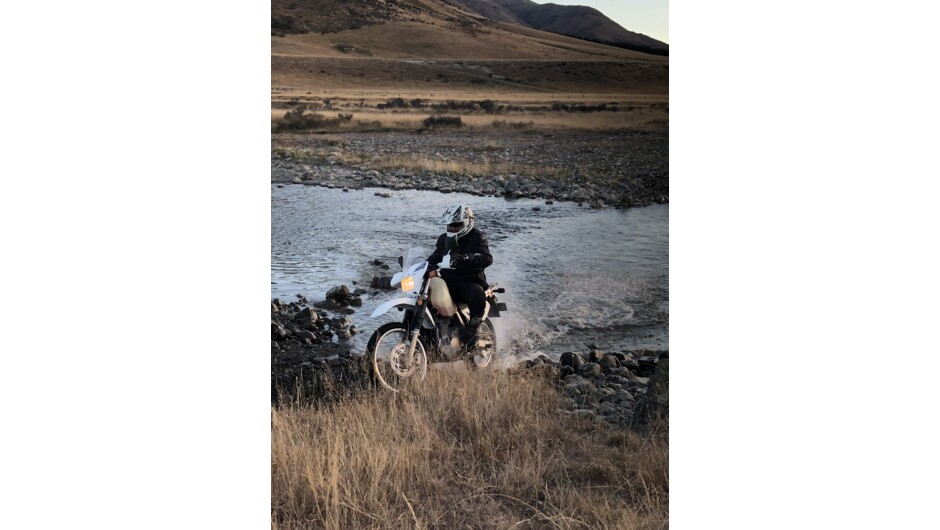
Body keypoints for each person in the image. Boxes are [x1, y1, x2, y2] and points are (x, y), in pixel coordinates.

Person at [427, 204, 493, 349]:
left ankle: (472, 330)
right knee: (426, 295)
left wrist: (465, 258)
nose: (453, 228)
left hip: (469, 280)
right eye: (450, 225)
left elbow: (486, 258)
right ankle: (430, 335)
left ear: (467, 222)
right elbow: (436, 256)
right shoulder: (444, 239)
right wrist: (424, 266)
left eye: (457, 225)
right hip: (448, 280)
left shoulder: (477, 237)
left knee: (476, 293)